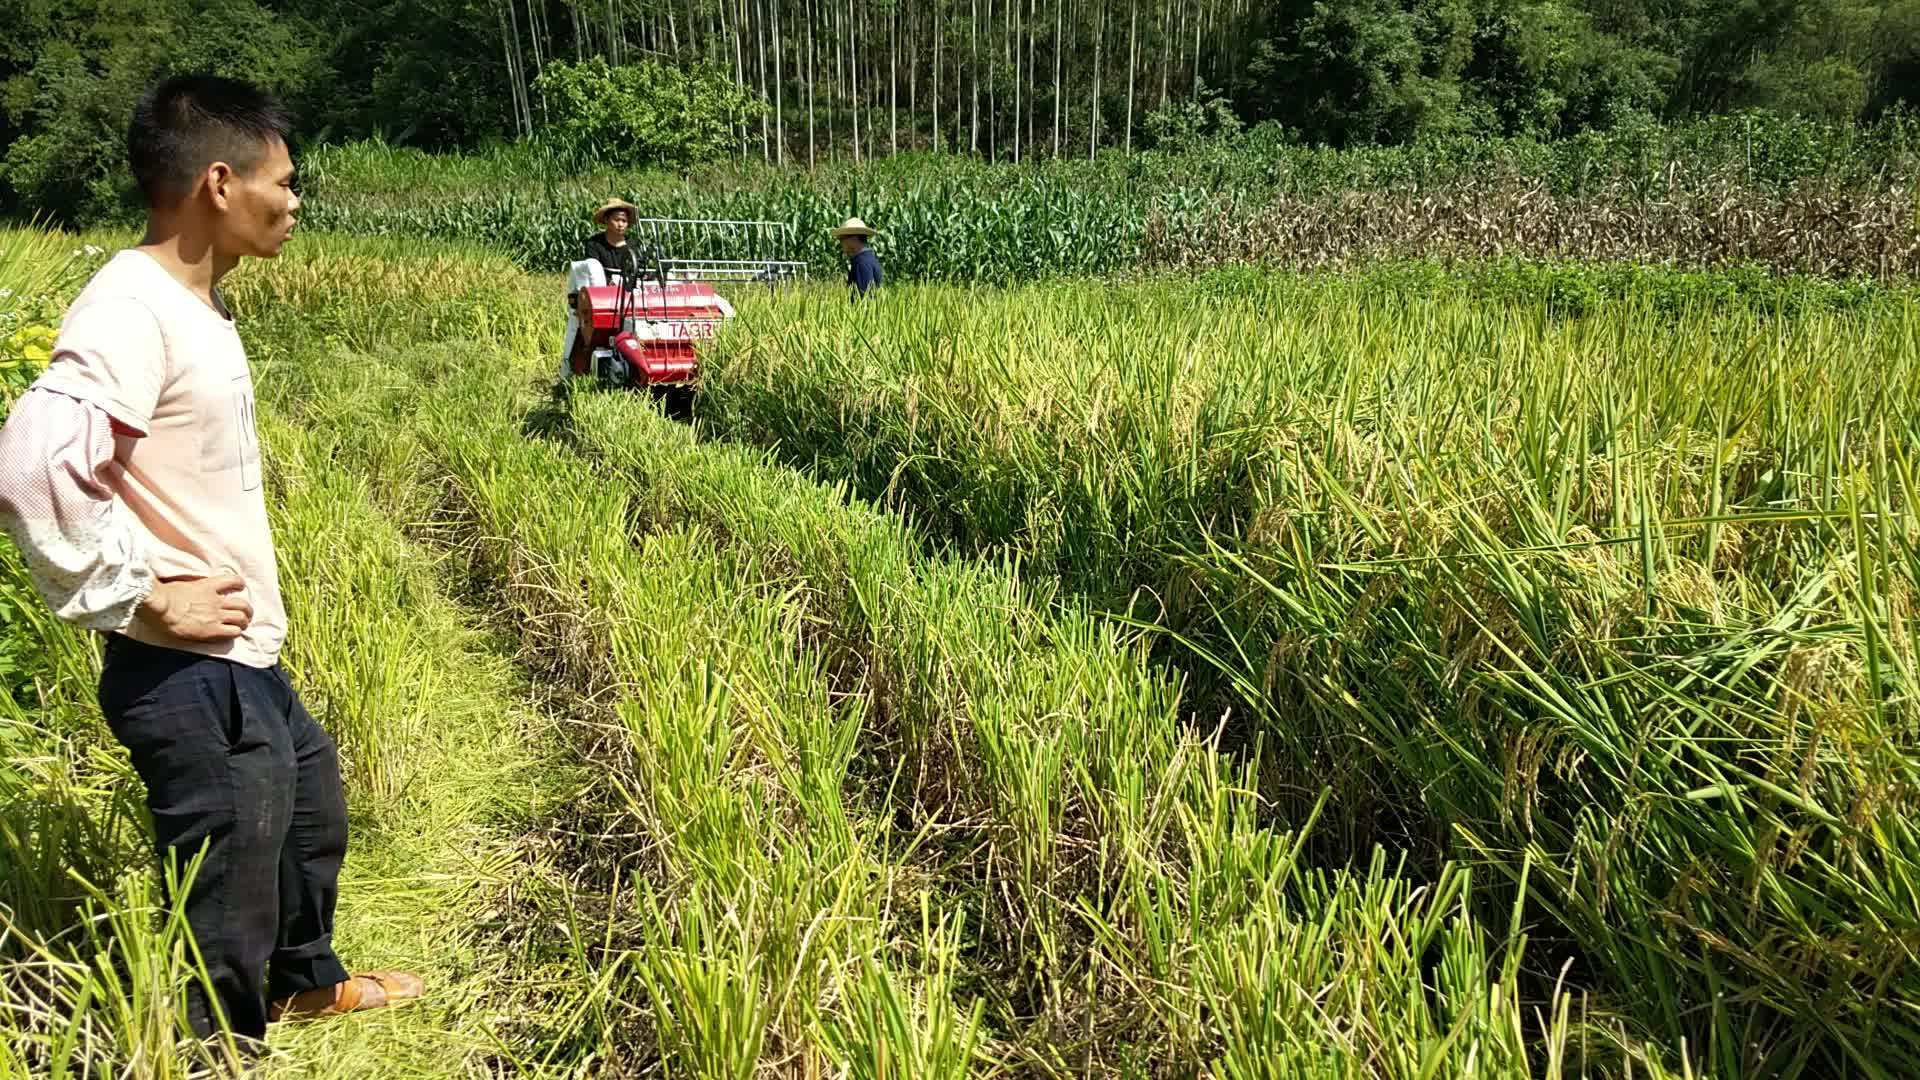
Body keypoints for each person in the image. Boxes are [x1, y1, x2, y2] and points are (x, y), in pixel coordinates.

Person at [0, 74, 422, 1052]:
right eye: (286, 180)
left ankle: (303, 984)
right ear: (221, 183)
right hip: (186, 669)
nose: (296, 201)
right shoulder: (131, 309)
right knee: (227, 884)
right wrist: (142, 597)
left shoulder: (194, 305)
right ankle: (215, 1053)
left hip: (239, 658)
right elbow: (29, 467)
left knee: (307, 812)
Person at [582, 197, 652, 285]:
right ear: (606, 220)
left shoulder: (634, 245)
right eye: (617, 220)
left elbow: (640, 270)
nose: (620, 224)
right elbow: (591, 271)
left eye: (624, 221)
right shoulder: (594, 244)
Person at [833, 217, 883, 298]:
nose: (841, 243)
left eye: (842, 239)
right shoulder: (868, 258)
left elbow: (863, 297)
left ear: (853, 239)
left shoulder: (862, 263)